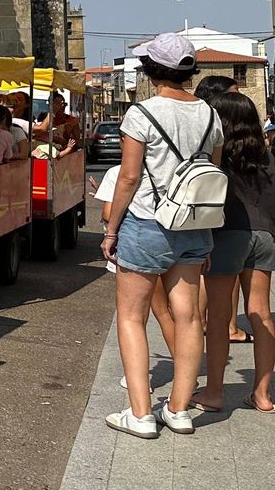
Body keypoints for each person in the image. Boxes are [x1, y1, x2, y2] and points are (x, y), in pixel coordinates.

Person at [102, 32, 220, 438]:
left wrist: (111, 229)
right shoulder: (209, 114)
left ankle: (140, 413)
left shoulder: (141, 114)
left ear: (151, 70)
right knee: (189, 317)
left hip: (147, 223)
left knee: (132, 318)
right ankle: (180, 409)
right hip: (193, 225)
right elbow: (212, 176)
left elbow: (129, 177)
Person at [193, 91, 275, 413]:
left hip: (227, 236)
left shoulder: (219, 157)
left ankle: (214, 392)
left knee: (218, 316)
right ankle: (262, 393)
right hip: (264, 237)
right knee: (261, 312)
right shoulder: (268, 159)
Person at [91, 166, 179, 392]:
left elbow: (108, 213)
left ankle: (138, 382)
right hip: (173, 240)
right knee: (167, 314)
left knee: (133, 318)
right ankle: (184, 374)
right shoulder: (169, 168)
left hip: (135, 247)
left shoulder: (119, 172)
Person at [33, 93, 82, 159]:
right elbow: (39, 133)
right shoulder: (44, 117)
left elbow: (77, 141)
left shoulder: (72, 120)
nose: (62, 107)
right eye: (58, 104)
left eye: (64, 104)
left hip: (64, 154)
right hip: (46, 151)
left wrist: (67, 144)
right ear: (51, 105)